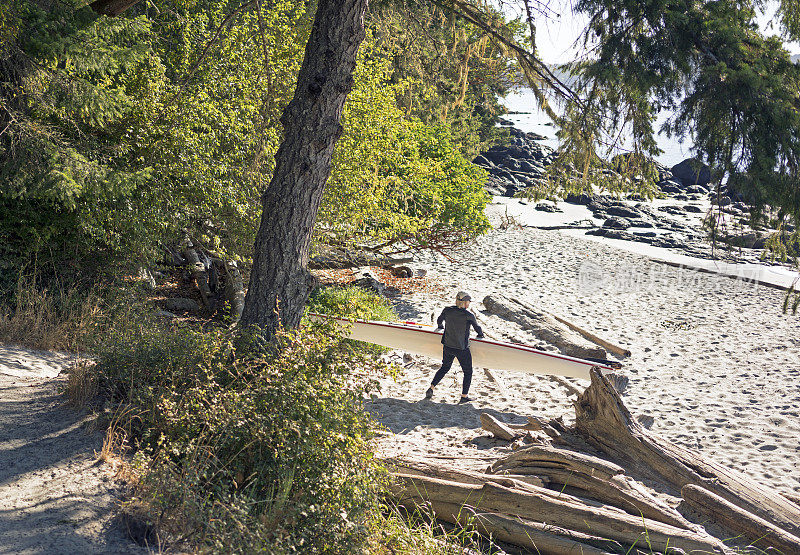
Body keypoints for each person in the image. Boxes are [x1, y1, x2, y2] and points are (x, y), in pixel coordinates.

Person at [425, 291, 484, 403]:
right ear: (465, 303)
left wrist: (440, 327)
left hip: (447, 346)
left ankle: (431, 388)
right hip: (461, 349)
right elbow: (478, 329)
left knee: (445, 367)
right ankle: (464, 396)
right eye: (468, 301)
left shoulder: (447, 310)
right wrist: (481, 336)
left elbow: (439, 320)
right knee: (468, 372)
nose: (469, 303)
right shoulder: (469, 315)